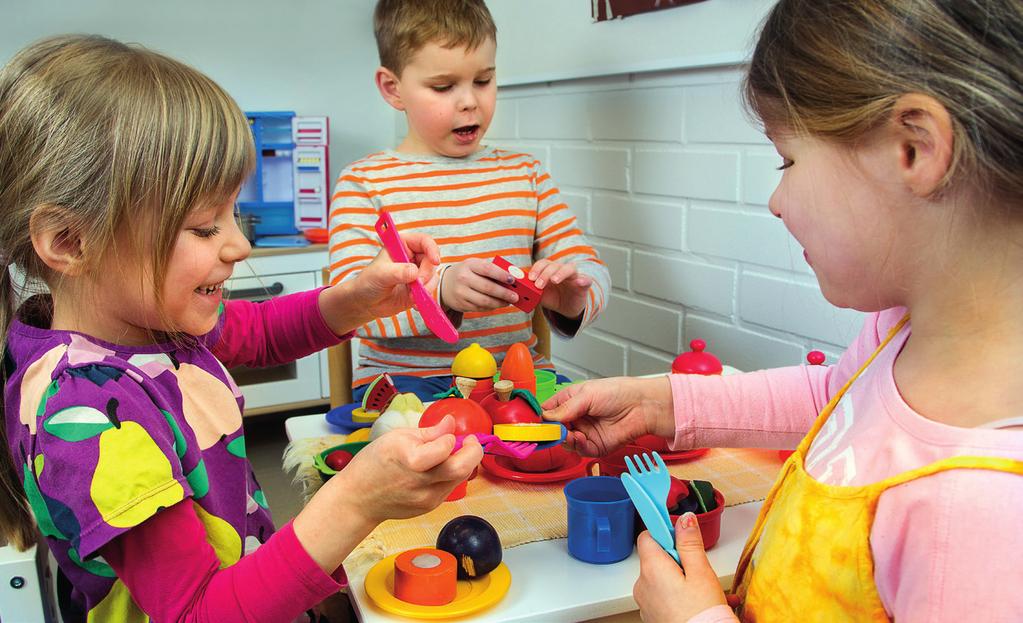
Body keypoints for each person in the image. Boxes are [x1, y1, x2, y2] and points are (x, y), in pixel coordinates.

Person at [544, 0, 1023, 620]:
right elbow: (836, 399)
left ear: (914, 148)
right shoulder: (901, 333)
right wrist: (659, 404)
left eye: (787, 161)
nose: (776, 200)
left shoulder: (981, 511)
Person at [0, 35, 483, 622]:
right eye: (204, 227)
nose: (239, 244)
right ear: (71, 242)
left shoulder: (149, 325)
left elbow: (259, 332)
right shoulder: (88, 414)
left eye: (235, 213)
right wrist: (355, 502)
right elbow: (200, 614)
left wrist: (356, 299)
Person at [328, 0, 611, 401]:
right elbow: (348, 306)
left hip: (513, 381)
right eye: (443, 87)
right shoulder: (364, 182)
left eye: (483, 80)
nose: (469, 102)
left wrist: (575, 295)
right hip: (405, 386)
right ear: (393, 89)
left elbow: (589, 267)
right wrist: (439, 290)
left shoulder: (525, 175)